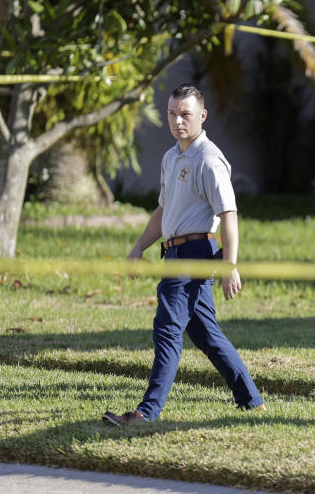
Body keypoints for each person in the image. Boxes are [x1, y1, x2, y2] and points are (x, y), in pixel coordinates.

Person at [102, 83, 265, 426]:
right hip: (172, 253)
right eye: (173, 114)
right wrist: (138, 247)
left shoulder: (208, 159)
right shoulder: (170, 156)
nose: (178, 121)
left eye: (186, 114)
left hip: (196, 252)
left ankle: (147, 413)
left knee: (167, 328)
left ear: (202, 116)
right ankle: (252, 402)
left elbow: (229, 216)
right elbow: (164, 210)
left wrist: (229, 266)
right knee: (205, 334)